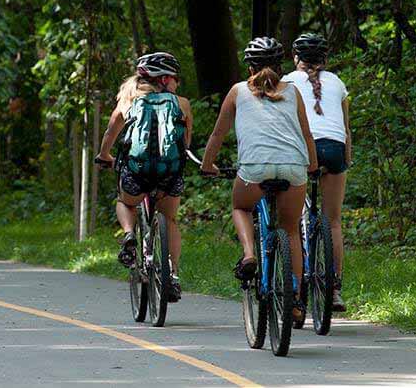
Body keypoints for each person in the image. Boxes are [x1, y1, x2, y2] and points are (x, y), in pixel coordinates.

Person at [200, 37, 317, 322]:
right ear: (280, 65)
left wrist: (207, 165)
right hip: (293, 168)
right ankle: (296, 299)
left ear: (249, 66)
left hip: (254, 168)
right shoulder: (292, 92)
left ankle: (250, 254)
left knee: (241, 207)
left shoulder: (238, 91)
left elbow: (218, 134)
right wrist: (312, 166)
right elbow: (307, 134)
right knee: (290, 231)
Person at [96, 52, 193, 301]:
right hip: (169, 174)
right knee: (169, 220)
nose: (177, 83)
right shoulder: (181, 103)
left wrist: (104, 155)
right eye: (174, 78)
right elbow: (185, 143)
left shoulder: (129, 100)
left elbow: (111, 132)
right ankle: (171, 272)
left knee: (125, 202)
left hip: (136, 172)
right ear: (164, 80)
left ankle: (129, 233)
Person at [282, 33, 351, 312]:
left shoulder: (286, 81)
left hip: (301, 148)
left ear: (295, 58)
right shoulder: (337, 82)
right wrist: (345, 161)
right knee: (333, 221)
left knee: (291, 225)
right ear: (326, 58)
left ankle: (296, 290)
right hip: (334, 148)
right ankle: (334, 289)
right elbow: (346, 129)